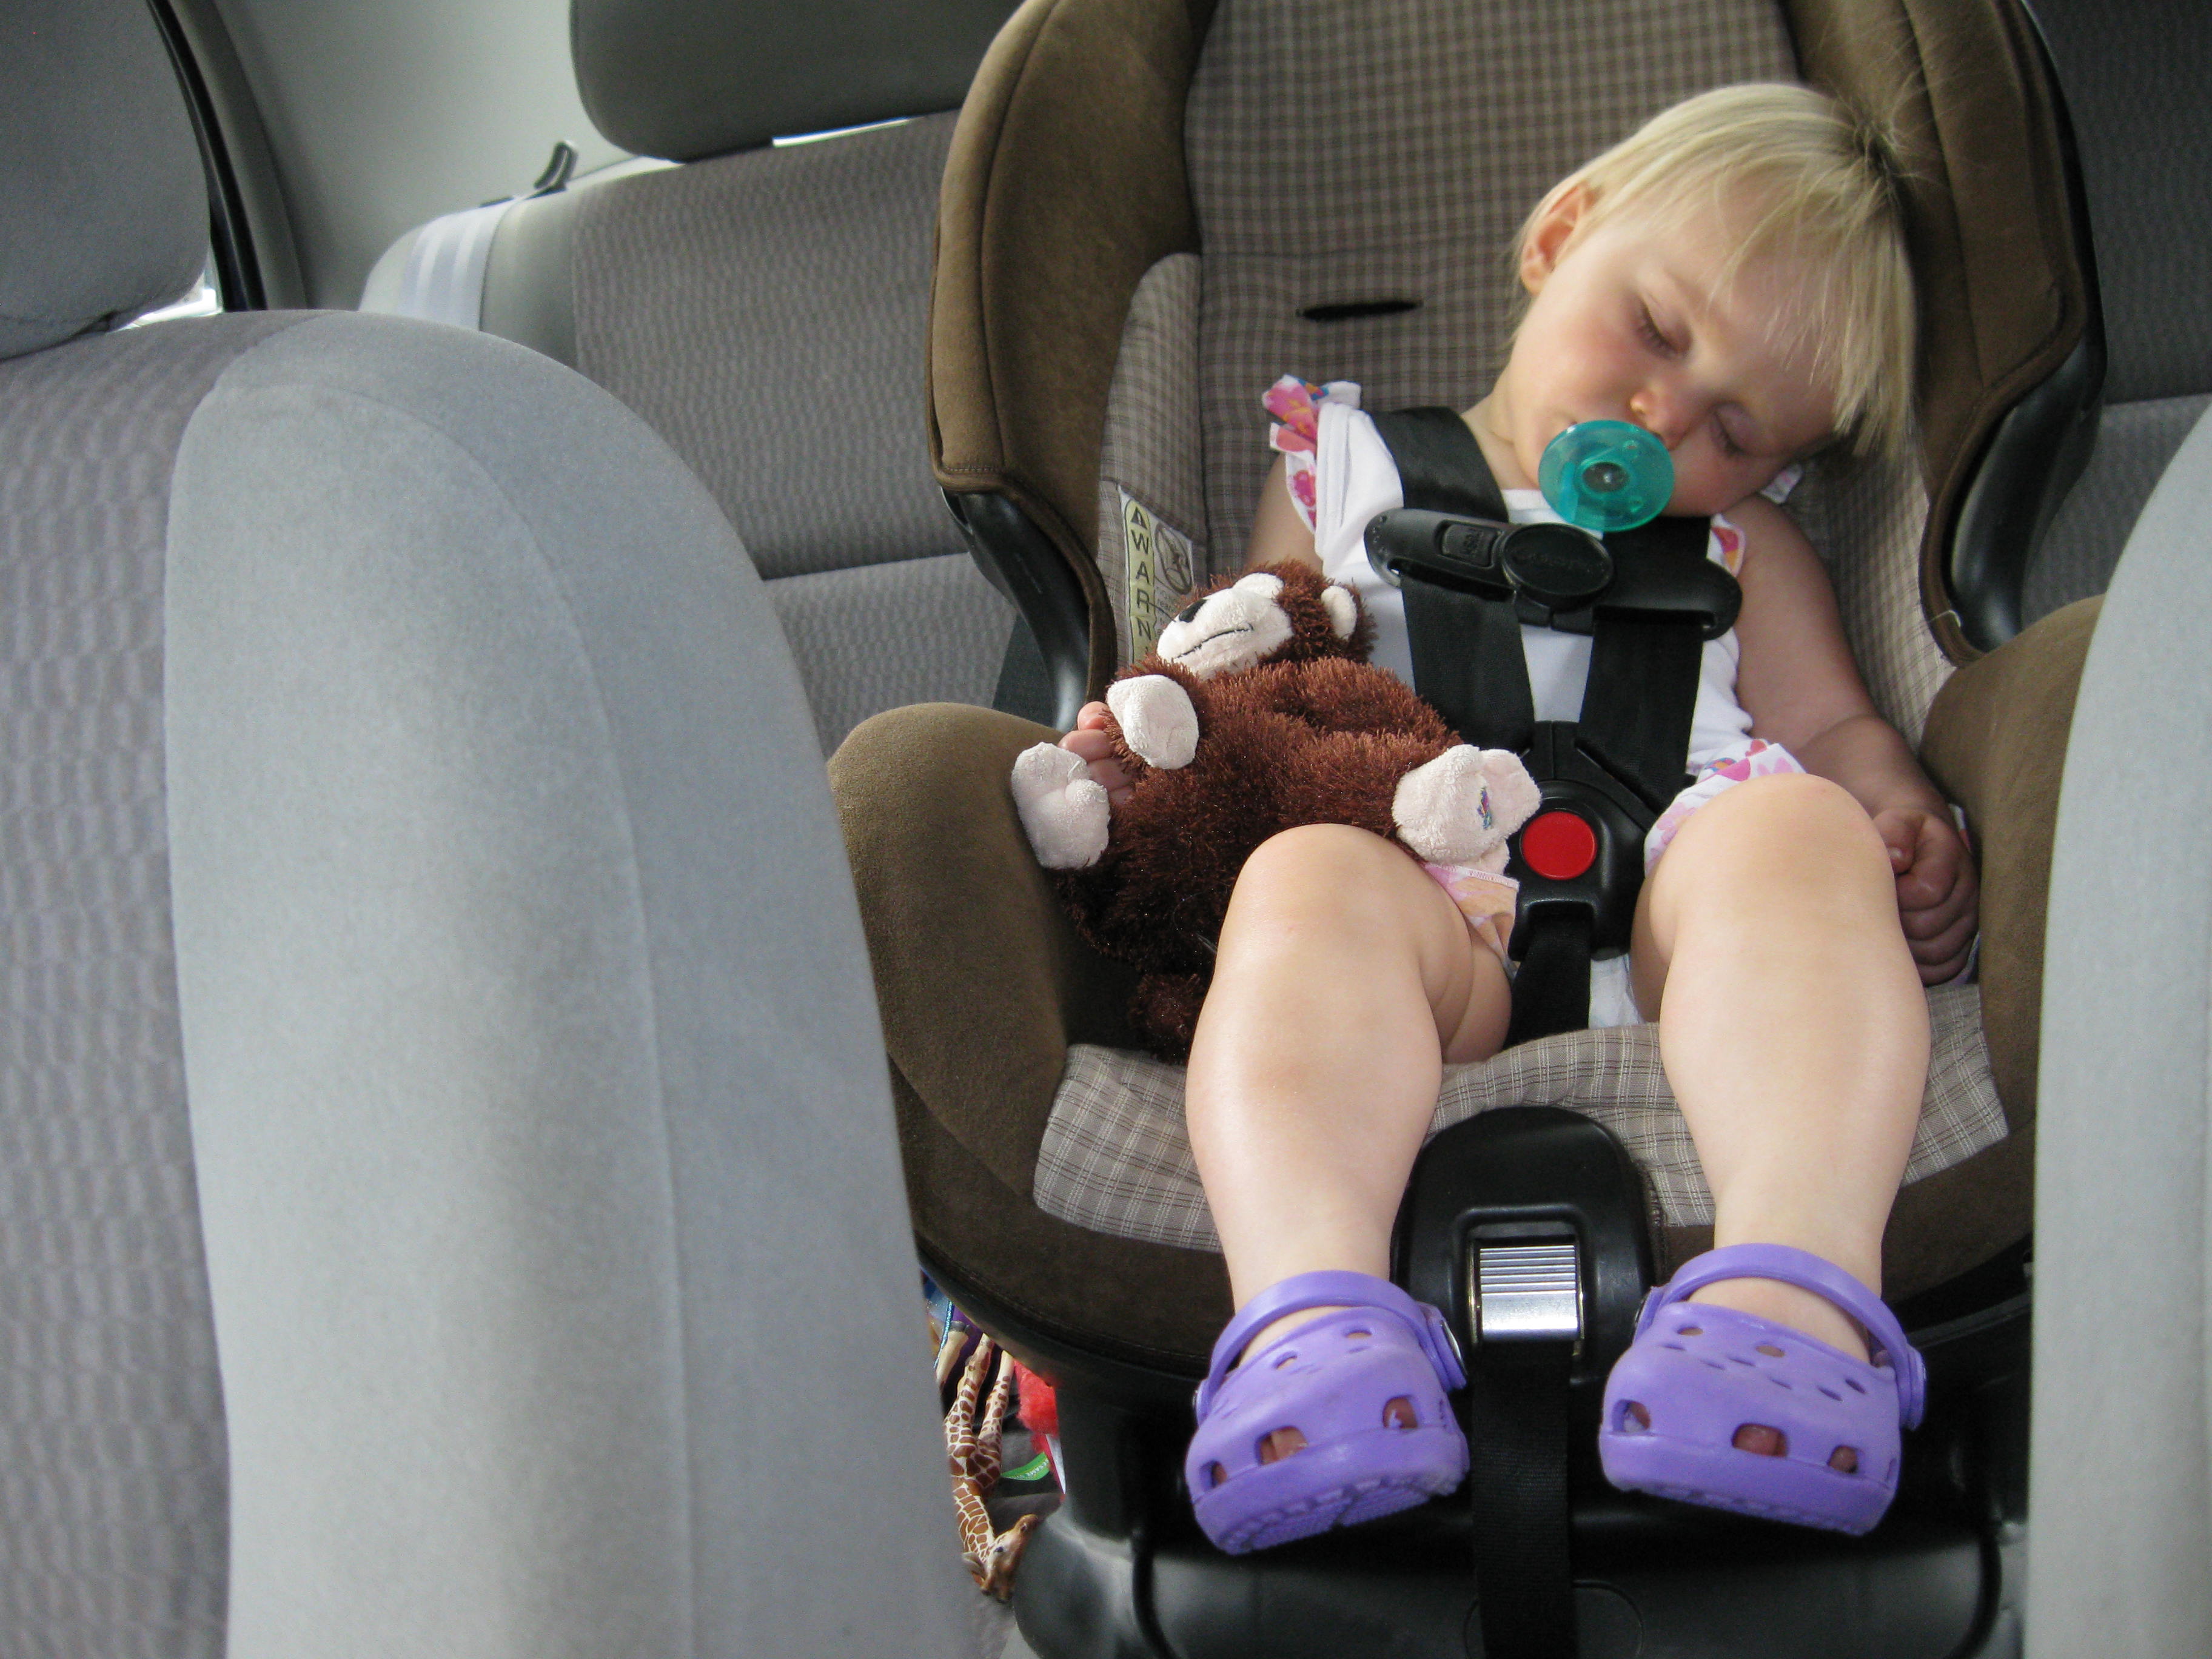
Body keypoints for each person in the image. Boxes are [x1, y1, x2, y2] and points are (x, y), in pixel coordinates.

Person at [1056, 84, 1977, 1551]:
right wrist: (1151, 760)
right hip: (1436, 914)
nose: (1664, 417)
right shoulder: (1341, 471)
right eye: (1657, 330)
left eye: (1737, 429)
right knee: (1302, 875)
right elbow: (1256, 674)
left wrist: (1894, 803)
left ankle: (1789, 1302)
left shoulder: (1743, 549)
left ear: (1776, 471)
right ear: (1560, 237)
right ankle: (1311, 1327)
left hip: (1682, 912)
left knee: (1802, 832)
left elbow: (1835, 729)